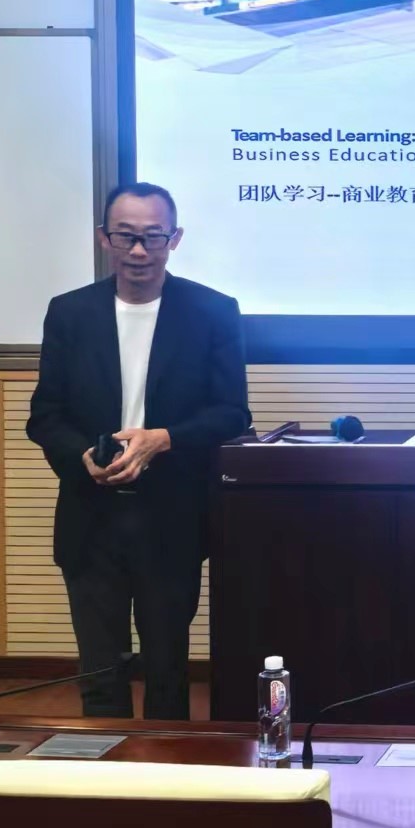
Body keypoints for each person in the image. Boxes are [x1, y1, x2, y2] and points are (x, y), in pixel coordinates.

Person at [26, 182, 249, 719]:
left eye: (153, 237)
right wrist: (82, 457)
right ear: (104, 238)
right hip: (90, 516)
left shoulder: (212, 312)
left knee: (168, 675)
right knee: (99, 676)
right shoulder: (70, 313)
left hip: (171, 516)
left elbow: (232, 413)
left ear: (175, 239)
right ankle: (103, 771)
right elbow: (45, 416)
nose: (140, 251)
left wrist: (162, 439)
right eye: (126, 236)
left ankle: (165, 770)